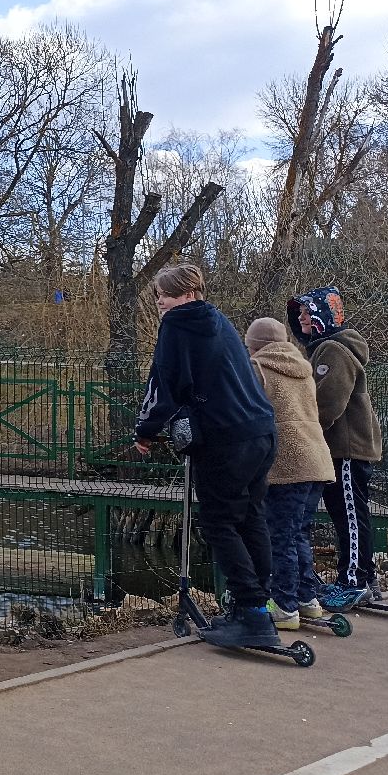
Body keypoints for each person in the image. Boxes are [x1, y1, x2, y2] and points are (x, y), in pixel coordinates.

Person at [134, 264, 279, 649]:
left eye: (163, 294)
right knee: (250, 517)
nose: (160, 302)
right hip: (261, 430)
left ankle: (250, 614)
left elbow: (163, 381)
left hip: (224, 439)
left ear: (185, 294)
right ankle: (258, 606)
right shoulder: (220, 320)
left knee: (218, 523)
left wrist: (145, 431)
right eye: (158, 296)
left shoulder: (177, 326)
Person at [288, 286, 384, 610]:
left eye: (305, 311)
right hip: (339, 447)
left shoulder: (334, 351)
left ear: (321, 314)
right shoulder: (323, 349)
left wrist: (302, 432)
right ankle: (365, 578)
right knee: (349, 514)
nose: (300, 317)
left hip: (345, 447)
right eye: (298, 312)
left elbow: (326, 403)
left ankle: (354, 580)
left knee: (350, 516)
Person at [244, 317, 335, 630]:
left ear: (253, 344)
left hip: (286, 462)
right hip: (317, 458)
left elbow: (250, 413)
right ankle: (307, 598)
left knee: (279, 535)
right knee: (299, 533)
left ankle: (284, 605)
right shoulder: (303, 367)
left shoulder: (257, 368)